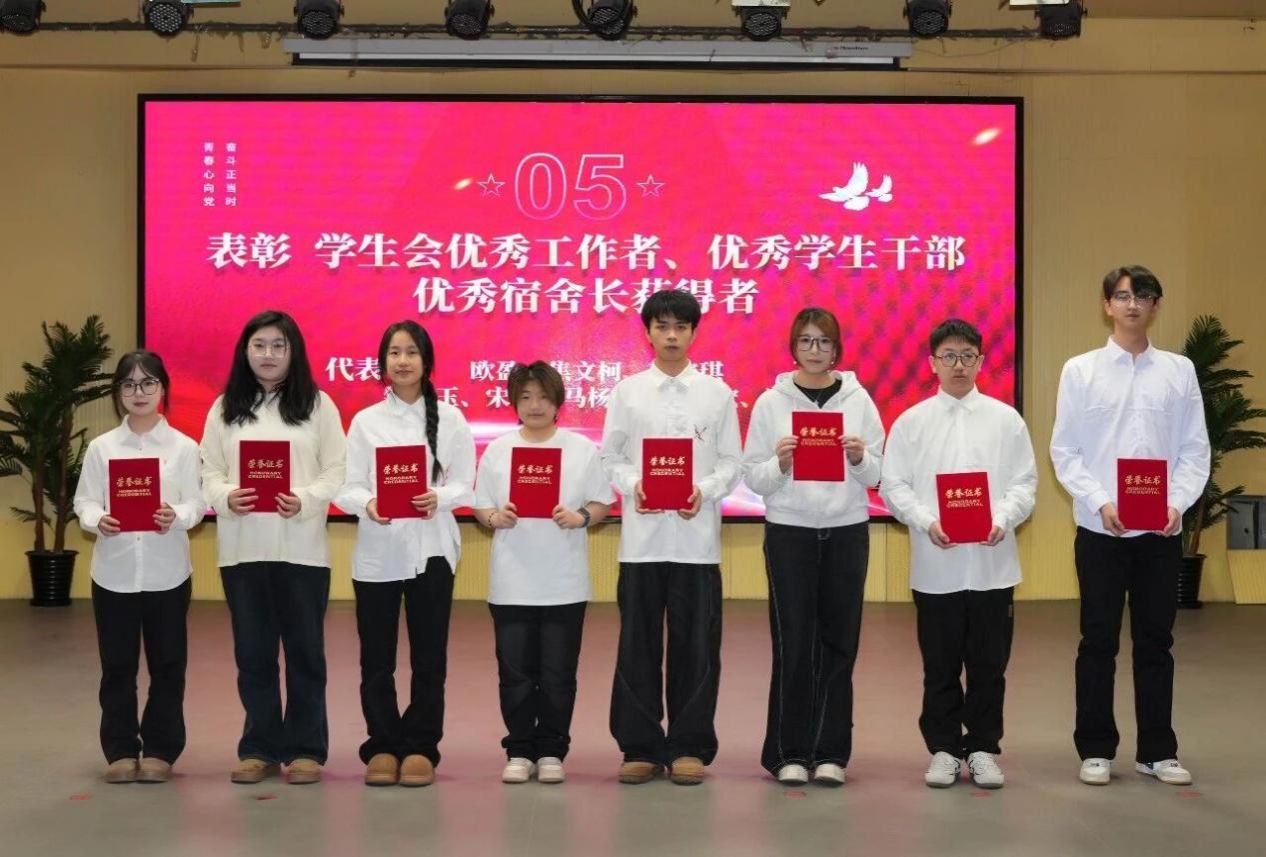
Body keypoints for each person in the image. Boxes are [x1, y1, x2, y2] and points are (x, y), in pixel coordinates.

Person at [1050, 266, 1209, 787]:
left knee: (1156, 642)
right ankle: (1096, 749)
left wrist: (1176, 503)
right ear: (1107, 305)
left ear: (1156, 305)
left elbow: (1194, 449)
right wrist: (1099, 502)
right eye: (1122, 296)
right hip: (1101, 530)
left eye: (1143, 295)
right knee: (1097, 641)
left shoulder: (1179, 372)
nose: (1132, 304)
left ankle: (1158, 752)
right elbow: (1065, 451)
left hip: (1159, 533)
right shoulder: (1080, 371)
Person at [880, 319, 1037, 790]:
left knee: (989, 667)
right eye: (949, 356)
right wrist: (926, 520)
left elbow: (1025, 484)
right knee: (940, 667)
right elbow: (893, 486)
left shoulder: (1006, 420)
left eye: (968, 355)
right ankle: (945, 749)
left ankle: (984, 748)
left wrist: (1002, 518)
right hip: (937, 568)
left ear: (981, 361)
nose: (959, 365)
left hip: (993, 566)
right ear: (932, 363)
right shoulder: (911, 422)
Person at [600, 289, 742, 786]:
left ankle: (689, 746)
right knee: (637, 645)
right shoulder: (628, 392)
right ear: (648, 333)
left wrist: (704, 491)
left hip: (696, 543)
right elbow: (610, 457)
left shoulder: (717, 394)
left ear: (694, 332)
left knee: (696, 647)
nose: (672, 335)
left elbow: (732, 462)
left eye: (681, 326)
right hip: (642, 543)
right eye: (662, 326)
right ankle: (639, 746)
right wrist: (634, 485)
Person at [200, 310, 346, 786]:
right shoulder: (224, 408)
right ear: (245, 351)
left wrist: (305, 498)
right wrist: (226, 496)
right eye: (259, 345)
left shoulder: (318, 405)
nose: (268, 354)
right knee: (253, 654)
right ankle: (259, 747)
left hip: (302, 551)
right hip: (243, 549)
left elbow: (336, 470)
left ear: (292, 351)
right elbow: (208, 471)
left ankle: (306, 749)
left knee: (305, 654)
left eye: (278, 346)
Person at [741, 307, 885, 787]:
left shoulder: (858, 399)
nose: (815, 350)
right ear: (793, 347)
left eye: (823, 341)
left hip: (846, 530)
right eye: (806, 341)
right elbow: (753, 476)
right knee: (793, 642)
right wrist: (780, 464)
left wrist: (860, 458)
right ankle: (788, 753)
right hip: (790, 532)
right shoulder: (771, 402)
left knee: (840, 643)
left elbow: (880, 472)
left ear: (836, 348)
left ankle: (831, 754)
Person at [335, 320, 475, 788]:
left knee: (429, 657)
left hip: (432, 551)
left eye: (411, 352)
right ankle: (381, 743)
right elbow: (348, 487)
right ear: (382, 362)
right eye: (394, 352)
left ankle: (420, 746)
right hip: (379, 553)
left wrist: (440, 496)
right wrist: (367, 504)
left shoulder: (451, 419)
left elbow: (465, 483)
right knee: (376, 658)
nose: (402, 360)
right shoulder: (365, 421)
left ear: (426, 360)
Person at [473, 361, 614, 785]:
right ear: (513, 402)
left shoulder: (581, 449)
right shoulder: (499, 449)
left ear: (558, 402)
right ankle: (519, 749)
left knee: (558, 673)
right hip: (512, 580)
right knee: (514, 672)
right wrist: (495, 517)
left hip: (563, 582)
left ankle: (552, 750)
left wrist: (580, 517)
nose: (535, 405)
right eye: (525, 397)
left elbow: (602, 502)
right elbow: (482, 505)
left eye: (543, 397)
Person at [74, 350, 204, 784]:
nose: (139, 392)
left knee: (168, 665)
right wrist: (98, 519)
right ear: (118, 392)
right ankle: (120, 749)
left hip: (167, 573)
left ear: (163, 388)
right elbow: (84, 501)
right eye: (129, 384)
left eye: (148, 382)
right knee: (117, 667)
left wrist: (176, 515)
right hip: (114, 574)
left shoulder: (184, 447)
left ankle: (162, 749)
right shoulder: (102, 448)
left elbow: (197, 503)